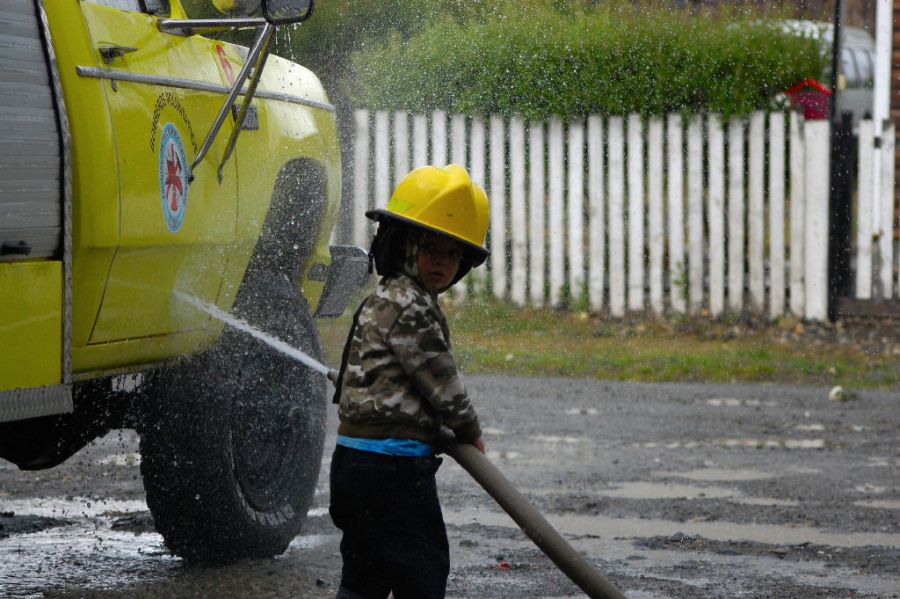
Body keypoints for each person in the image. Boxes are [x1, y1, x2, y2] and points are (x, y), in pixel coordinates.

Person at [329, 164, 490, 599]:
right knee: (422, 570)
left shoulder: (380, 298)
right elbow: (443, 383)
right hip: (393, 470)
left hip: (351, 463)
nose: (441, 262)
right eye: (430, 248)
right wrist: (469, 431)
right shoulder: (412, 307)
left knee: (364, 574)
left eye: (453, 253)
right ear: (403, 245)